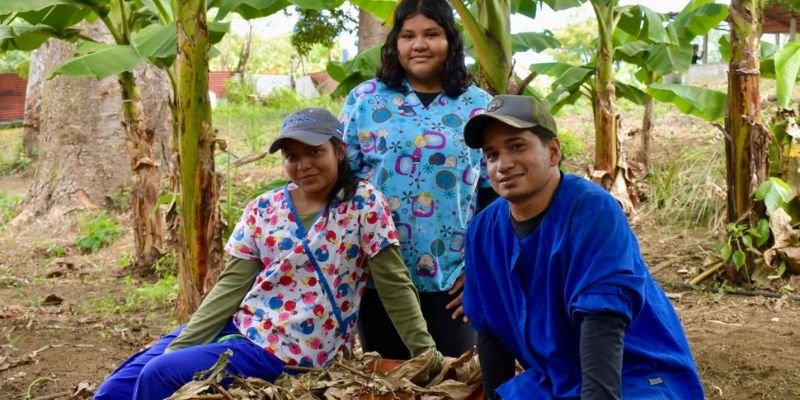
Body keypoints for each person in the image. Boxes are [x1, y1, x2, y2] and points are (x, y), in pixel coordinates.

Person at [94, 108, 442, 400]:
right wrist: (183, 344)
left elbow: (394, 284)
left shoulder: (363, 204)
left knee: (160, 375)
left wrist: (427, 354)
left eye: (314, 152)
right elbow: (230, 287)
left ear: (338, 150)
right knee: (114, 391)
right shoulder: (265, 207)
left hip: (292, 350)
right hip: (242, 328)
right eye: (292, 156)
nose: (303, 164)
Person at [460, 95, 704, 400]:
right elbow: (490, 329)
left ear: (552, 152)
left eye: (517, 146)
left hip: (636, 372)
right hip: (556, 375)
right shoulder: (483, 230)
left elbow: (602, 318)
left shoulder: (592, 210)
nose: (503, 164)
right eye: (492, 155)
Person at [339, 0, 494, 360]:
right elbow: (343, 184)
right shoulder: (365, 100)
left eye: (431, 34)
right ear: (395, 42)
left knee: (453, 381)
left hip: (453, 278)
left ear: (451, 41)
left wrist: (478, 268)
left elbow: (492, 195)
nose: (419, 44)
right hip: (380, 277)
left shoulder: (478, 106)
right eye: (408, 35)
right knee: (392, 384)